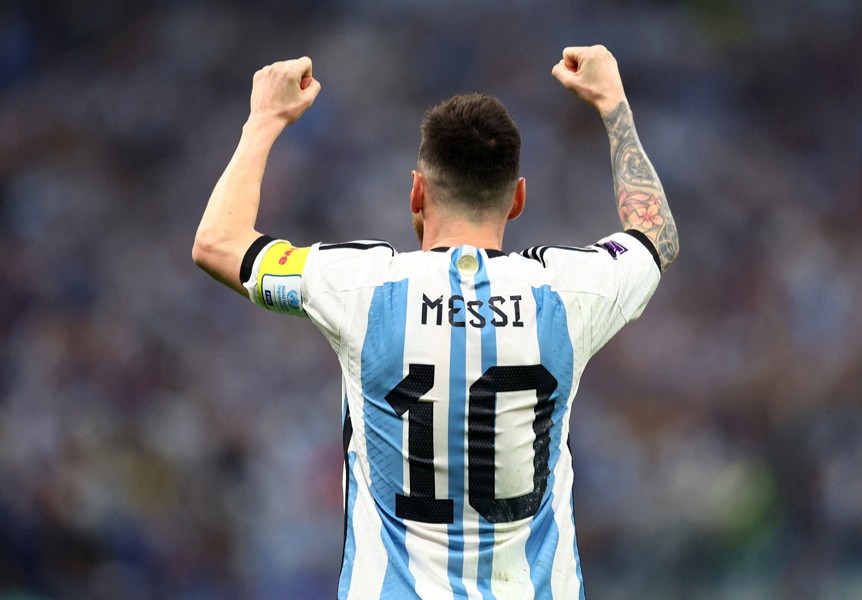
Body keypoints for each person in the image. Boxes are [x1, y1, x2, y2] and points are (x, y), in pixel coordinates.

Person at [193, 44, 678, 599]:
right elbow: (655, 236)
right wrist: (613, 103)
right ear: (517, 199)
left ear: (417, 192)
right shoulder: (568, 293)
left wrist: (264, 120)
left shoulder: (362, 287)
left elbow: (217, 243)